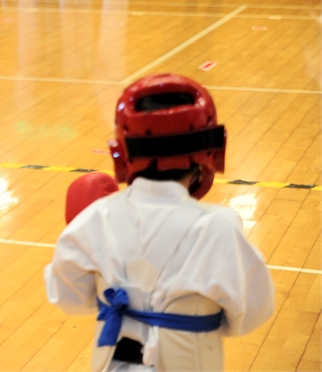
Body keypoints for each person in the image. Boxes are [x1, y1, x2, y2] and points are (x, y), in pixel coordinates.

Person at [45, 73, 275, 370]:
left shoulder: (96, 219)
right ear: (209, 150)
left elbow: (66, 297)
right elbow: (253, 312)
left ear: (122, 151)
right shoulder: (220, 227)